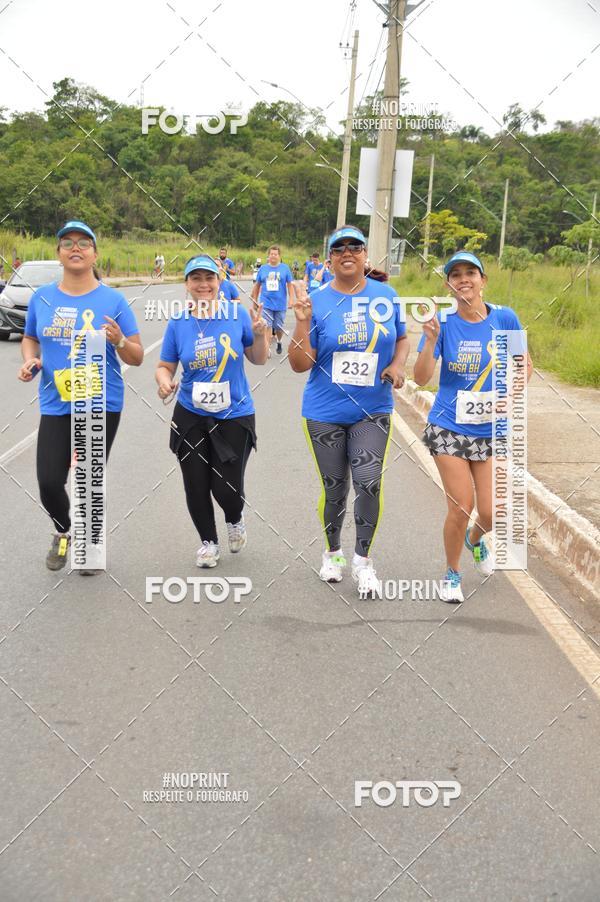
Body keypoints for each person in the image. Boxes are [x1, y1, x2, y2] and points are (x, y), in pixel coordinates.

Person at [289, 225, 410, 598]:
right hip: (325, 410)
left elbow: (402, 338)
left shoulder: (386, 296)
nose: (347, 252)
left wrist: (399, 365)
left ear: (364, 255)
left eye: (354, 247)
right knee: (336, 487)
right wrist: (303, 320)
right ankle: (333, 553)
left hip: (372, 408)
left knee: (369, 481)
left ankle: (363, 560)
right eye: (338, 248)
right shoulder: (317, 300)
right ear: (329, 259)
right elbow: (298, 364)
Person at [18, 220, 143, 572]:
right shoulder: (42, 298)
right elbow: (30, 338)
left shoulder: (113, 299)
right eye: (68, 242)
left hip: (102, 402)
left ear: (95, 254)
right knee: (48, 482)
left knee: (88, 478)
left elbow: (136, 355)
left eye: (84, 243)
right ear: (58, 254)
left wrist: (119, 339)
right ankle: (63, 530)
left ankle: (89, 549)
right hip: (56, 403)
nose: (76, 248)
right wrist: (30, 361)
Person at [413, 251, 533, 603]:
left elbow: (523, 364)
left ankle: (476, 541)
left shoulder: (505, 318)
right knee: (461, 506)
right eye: (456, 274)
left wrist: (509, 397)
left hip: (490, 430)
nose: (463, 279)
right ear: (449, 285)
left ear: (483, 280)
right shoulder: (444, 322)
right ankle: (452, 573)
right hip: (449, 427)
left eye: (470, 272)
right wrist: (431, 340)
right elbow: (419, 378)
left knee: (493, 512)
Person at [155, 255, 269, 567]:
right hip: (191, 412)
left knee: (226, 487)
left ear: (219, 282)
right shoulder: (178, 323)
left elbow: (259, 359)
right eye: (196, 279)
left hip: (234, 413)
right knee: (195, 481)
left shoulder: (236, 315)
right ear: (187, 284)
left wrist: (260, 333)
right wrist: (165, 382)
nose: (203, 284)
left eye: (209, 278)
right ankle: (208, 542)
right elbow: (165, 365)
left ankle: (235, 517)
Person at [251, 245, 294, 356]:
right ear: (268, 256)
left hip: (280, 303)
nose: (273, 256)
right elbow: (257, 285)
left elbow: (290, 285)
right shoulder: (263, 268)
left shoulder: (285, 268)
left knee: (278, 327)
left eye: (275, 254)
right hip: (266, 302)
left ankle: (279, 341)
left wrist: (291, 300)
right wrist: (254, 300)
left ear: (279, 256)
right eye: (271, 254)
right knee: (267, 325)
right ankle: (267, 348)